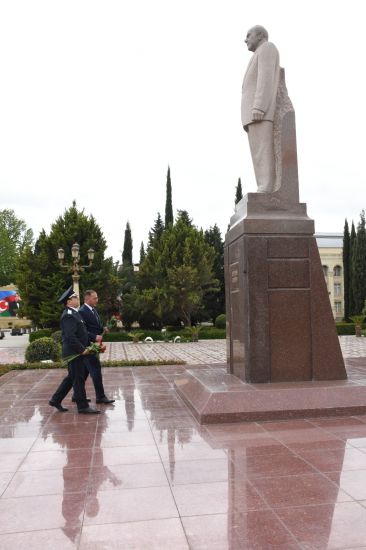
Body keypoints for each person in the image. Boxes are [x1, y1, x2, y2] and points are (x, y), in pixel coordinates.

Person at [48, 286, 100, 414]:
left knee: (72, 378)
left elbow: (80, 333)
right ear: (68, 301)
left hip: (77, 351)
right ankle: (82, 406)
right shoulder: (68, 315)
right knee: (78, 378)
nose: (77, 299)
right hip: (74, 353)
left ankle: (56, 399)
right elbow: (70, 337)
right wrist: (82, 350)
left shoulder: (75, 313)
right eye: (74, 297)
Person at [241, 25, 280, 193]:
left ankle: (267, 186)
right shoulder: (259, 52)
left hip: (260, 113)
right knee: (257, 154)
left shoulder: (267, 48)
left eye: (249, 35)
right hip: (253, 115)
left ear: (260, 36)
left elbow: (265, 77)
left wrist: (259, 106)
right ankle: (263, 186)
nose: (245, 39)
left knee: (263, 151)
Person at [78, 289, 115, 404]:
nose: (97, 300)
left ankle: (76, 394)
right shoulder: (82, 311)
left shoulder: (93, 309)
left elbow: (95, 325)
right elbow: (82, 330)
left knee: (83, 373)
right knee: (96, 370)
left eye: (97, 298)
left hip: (94, 345)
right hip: (88, 346)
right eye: (95, 298)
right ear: (87, 299)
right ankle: (100, 397)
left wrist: (103, 328)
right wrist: (94, 337)